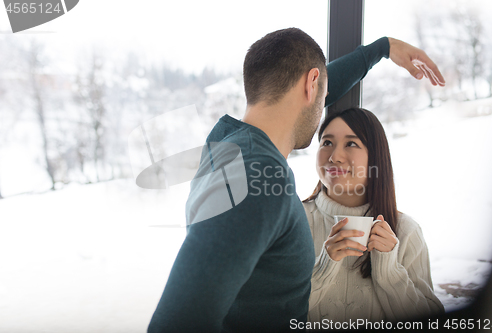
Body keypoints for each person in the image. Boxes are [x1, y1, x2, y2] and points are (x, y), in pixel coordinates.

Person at [147, 28, 445, 333]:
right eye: (323, 93)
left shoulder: (227, 144)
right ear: (311, 83)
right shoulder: (257, 178)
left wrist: (381, 49)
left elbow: (314, 91)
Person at [303, 108, 445, 323]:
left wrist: (389, 271)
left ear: (375, 157)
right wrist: (324, 266)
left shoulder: (406, 231)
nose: (334, 156)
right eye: (326, 143)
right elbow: (269, 316)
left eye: (351, 144)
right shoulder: (293, 221)